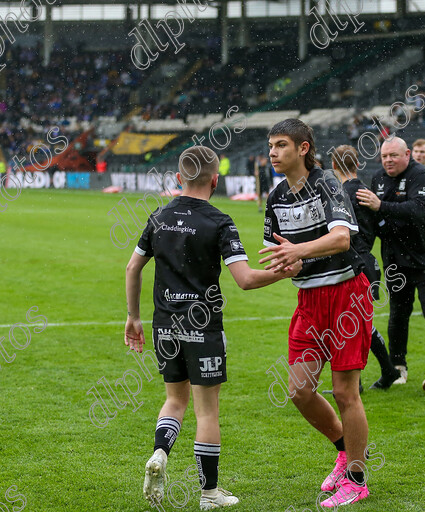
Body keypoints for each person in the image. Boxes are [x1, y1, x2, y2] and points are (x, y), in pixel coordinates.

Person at [125, 146, 300, 510]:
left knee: (175, 400)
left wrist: (133, 318)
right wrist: (284, 271)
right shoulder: (219, 221)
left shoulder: (158, 217)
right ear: (215, 180)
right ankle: (209, 494)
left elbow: (132, 269)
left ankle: (160, 452)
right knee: (207, 412)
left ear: (179, 178)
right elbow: (246, 280)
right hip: (201, 328)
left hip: (164, 325)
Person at [259, 119, 372, 507]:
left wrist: (298, 253)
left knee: (345, 392)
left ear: (303, 148)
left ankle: (357, 479)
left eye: (281, 145)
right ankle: (345, 449)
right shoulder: (275, 198)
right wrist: (286, 266)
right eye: (271, 145)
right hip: (308, 301)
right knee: (300, 390)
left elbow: (342, 238)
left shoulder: (327, 184)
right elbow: (282, 257)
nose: (273, 152)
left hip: (346, 296)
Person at [356, 137, 425, 394]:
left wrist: (381, 205)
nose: (388, 161)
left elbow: (418, 210)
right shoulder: (378, 179)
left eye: (393, 156)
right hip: (396, 260)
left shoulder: (423, 176)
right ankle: (398, 367)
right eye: (384, 157)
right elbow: (374, 219)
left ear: (408, 154)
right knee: (398, 313)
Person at [330, 145, 400, 390]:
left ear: (334, 166)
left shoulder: (340, 194)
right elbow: (384, 228)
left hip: (351, 265)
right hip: (368, 262)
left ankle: (361, 380)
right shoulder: (368, 194)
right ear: (357, 163)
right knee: (357, 323)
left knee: (350, 324)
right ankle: (383, 372)